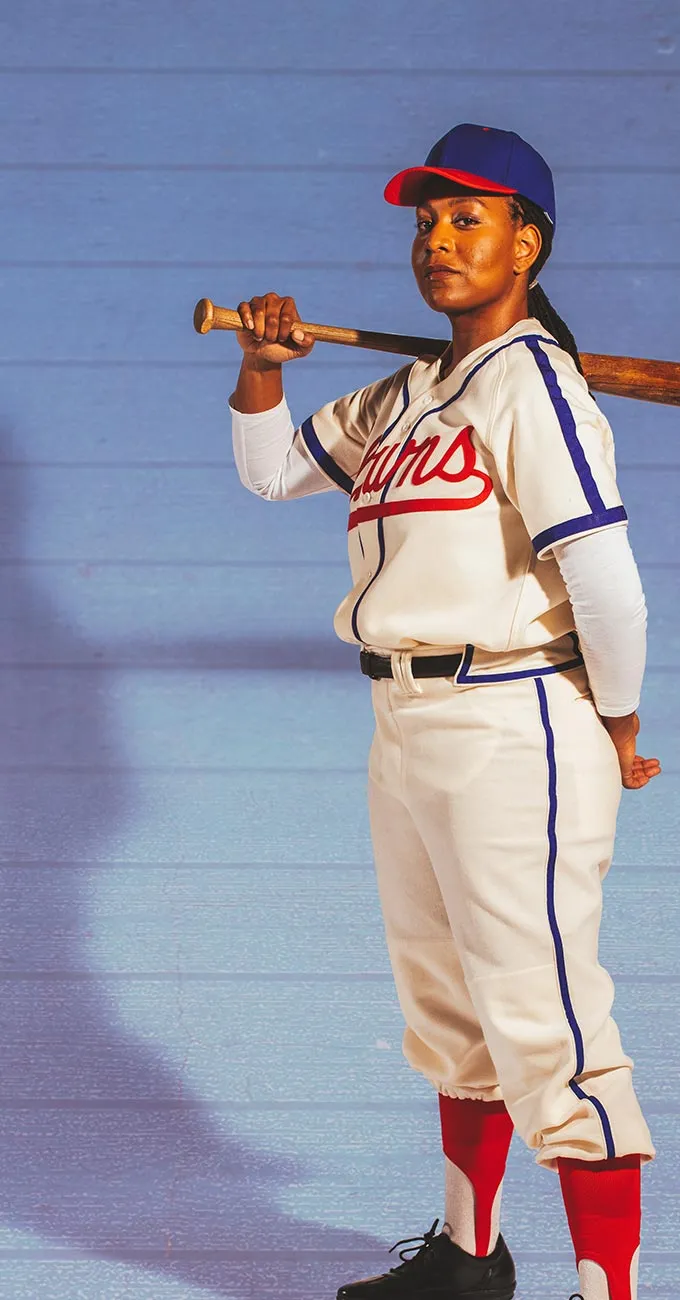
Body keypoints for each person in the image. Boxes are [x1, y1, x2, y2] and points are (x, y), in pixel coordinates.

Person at [228, 123, 661, 1300]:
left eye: (466, 217)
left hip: (515, 716)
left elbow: (606, 579)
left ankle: (605, 1288)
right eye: (425, 222)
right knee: (445, 1006)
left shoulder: (535, 387)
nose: (437, 240)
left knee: (546, 1026)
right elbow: (269, 472)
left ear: (526, 241)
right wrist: (263, 364)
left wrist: (615, 722)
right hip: (406, 727)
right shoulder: (409, 392)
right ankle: (470, 1259)